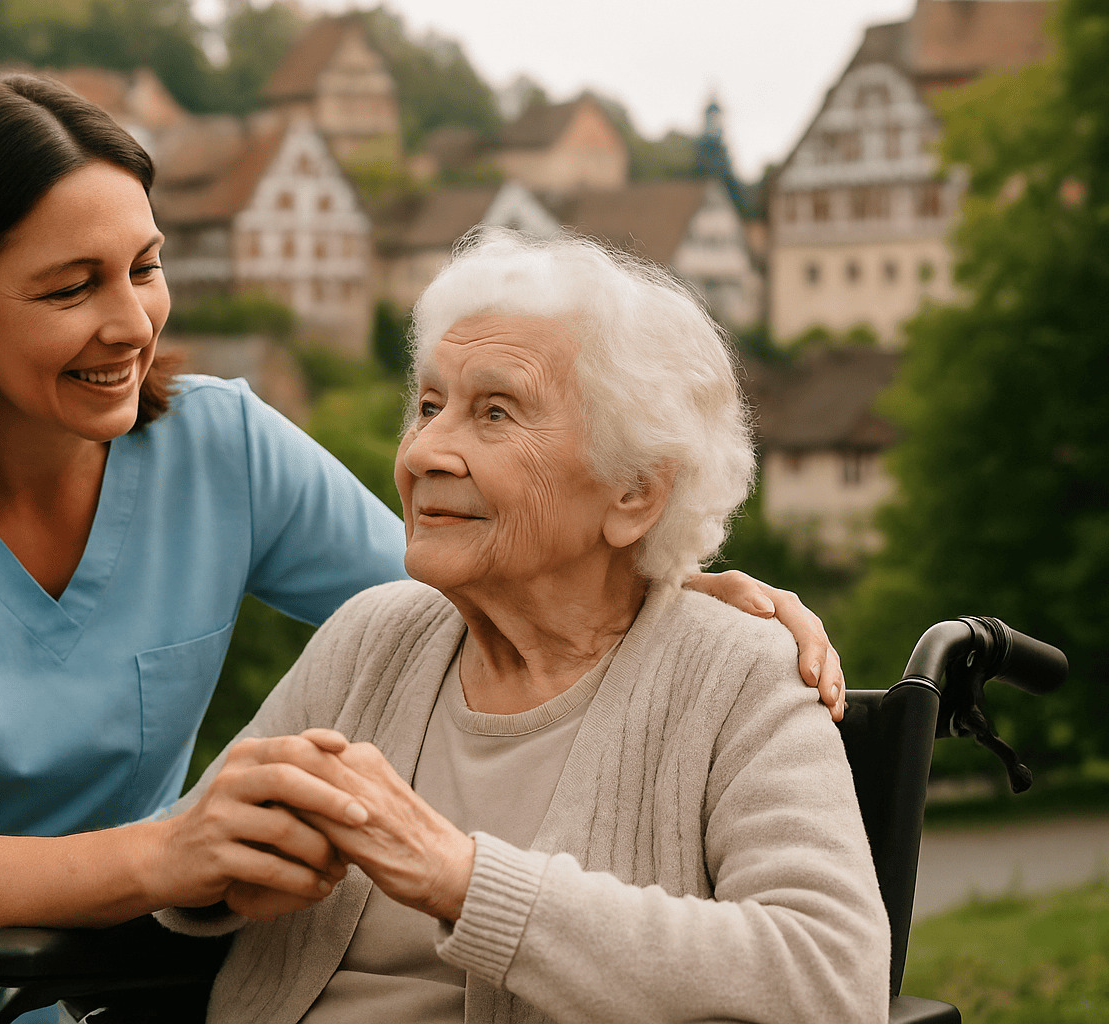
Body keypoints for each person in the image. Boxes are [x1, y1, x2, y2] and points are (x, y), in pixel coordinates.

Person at [0, 72, 846, 1023]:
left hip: (64, 986)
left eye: (144, 267)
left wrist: (662, 575)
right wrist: (174, 852)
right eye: (70, 287)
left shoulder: (221, 449)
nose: (132, 323)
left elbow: (479, 587)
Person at [155, 231, 889, 1024]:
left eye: (495, 413)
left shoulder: (735, 674)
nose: (425, 452)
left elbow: (829, 976)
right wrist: (218, 866)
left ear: (635, 493)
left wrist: (461, 880)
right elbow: (181, 868)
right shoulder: (371, 637)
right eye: (429, 406)